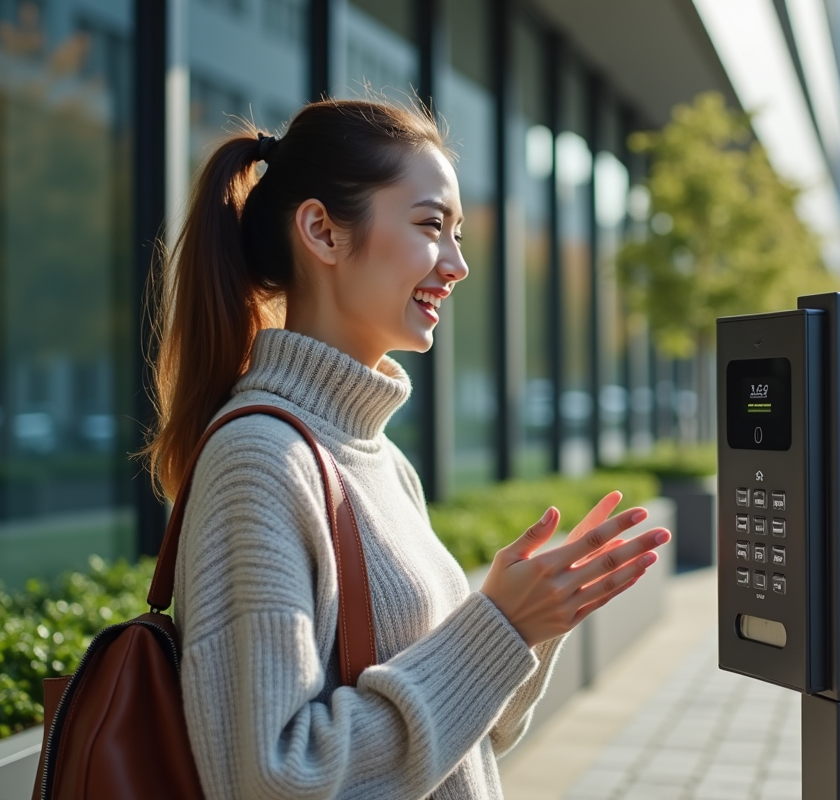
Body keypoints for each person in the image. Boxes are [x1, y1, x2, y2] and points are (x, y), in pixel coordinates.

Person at [142, 98, 670, 800]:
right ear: (322, 231)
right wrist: (497, 625)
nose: (458, 265)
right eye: (431, 226)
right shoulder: (261, 461)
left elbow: (470, 740)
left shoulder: (381, 459)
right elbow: (272, 778)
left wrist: (533, 623)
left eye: (457, 233)